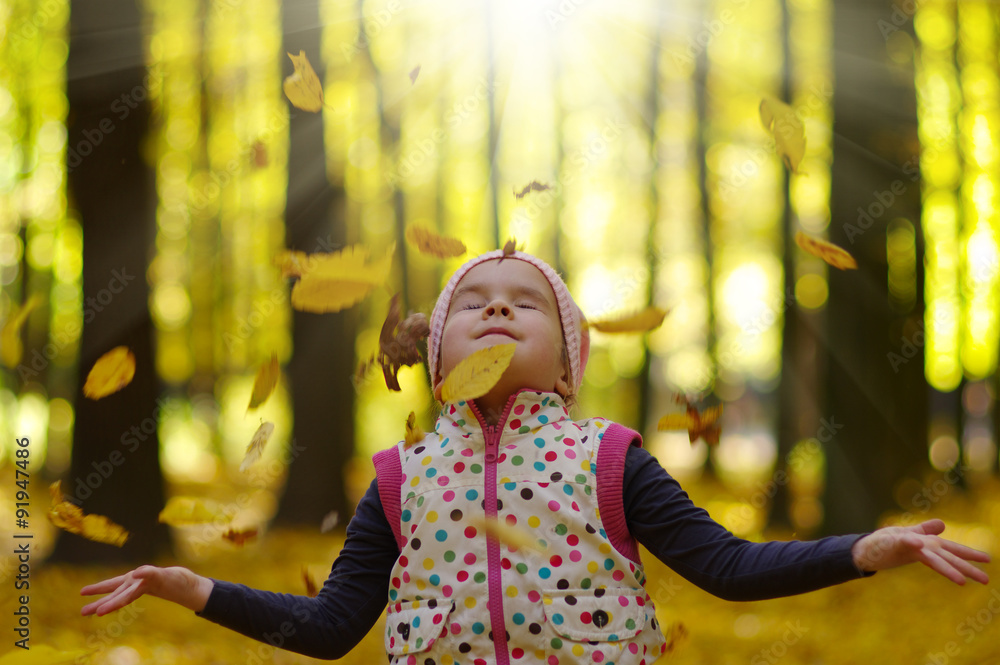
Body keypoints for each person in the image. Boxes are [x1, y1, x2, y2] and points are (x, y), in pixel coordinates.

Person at [82, 249, 990, 664]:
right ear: (438, 360)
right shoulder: (399, 481)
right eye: (474, 300)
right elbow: (330, 629)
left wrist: (866, 548)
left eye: (527, 301)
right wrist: (193, 589)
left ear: (567, 360)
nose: (500, 307)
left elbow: (730, 567)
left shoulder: (610, 457)